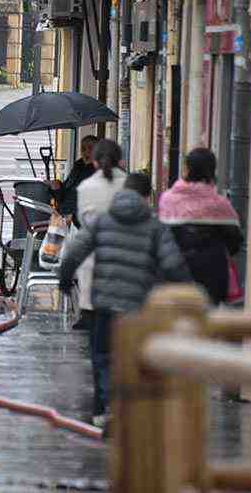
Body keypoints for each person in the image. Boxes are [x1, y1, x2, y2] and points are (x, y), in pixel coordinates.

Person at [57, 171, 190, 429]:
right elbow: (172, 264)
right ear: (145, 197)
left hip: (105, 304)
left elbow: (75, 251)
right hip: (138, 307)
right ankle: (132, 411)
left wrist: (64, 278)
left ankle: (104, 409)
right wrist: (188, 291)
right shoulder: (155, 226)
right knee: (134, 359)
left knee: (102, 356)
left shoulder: (103, 221)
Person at [158, 148, 244, 306]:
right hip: (212, 274)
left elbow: (159, 238)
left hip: (174, 273)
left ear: (186, 169)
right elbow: (235, 241)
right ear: (212, 170)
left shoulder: (168, 200)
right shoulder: (219, 204)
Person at [69, 139, 126, 332]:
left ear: (95, 161)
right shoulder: (128, 184)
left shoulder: (86, 188)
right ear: (120, 160)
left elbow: (83, 222)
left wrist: (65, 272)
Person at [50, 134, 98, 220]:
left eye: (90, 148)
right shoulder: (78, 166)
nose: (86, 152)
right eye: (83, 148)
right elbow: (63, 193)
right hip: (63, 215)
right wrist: (57, 188)